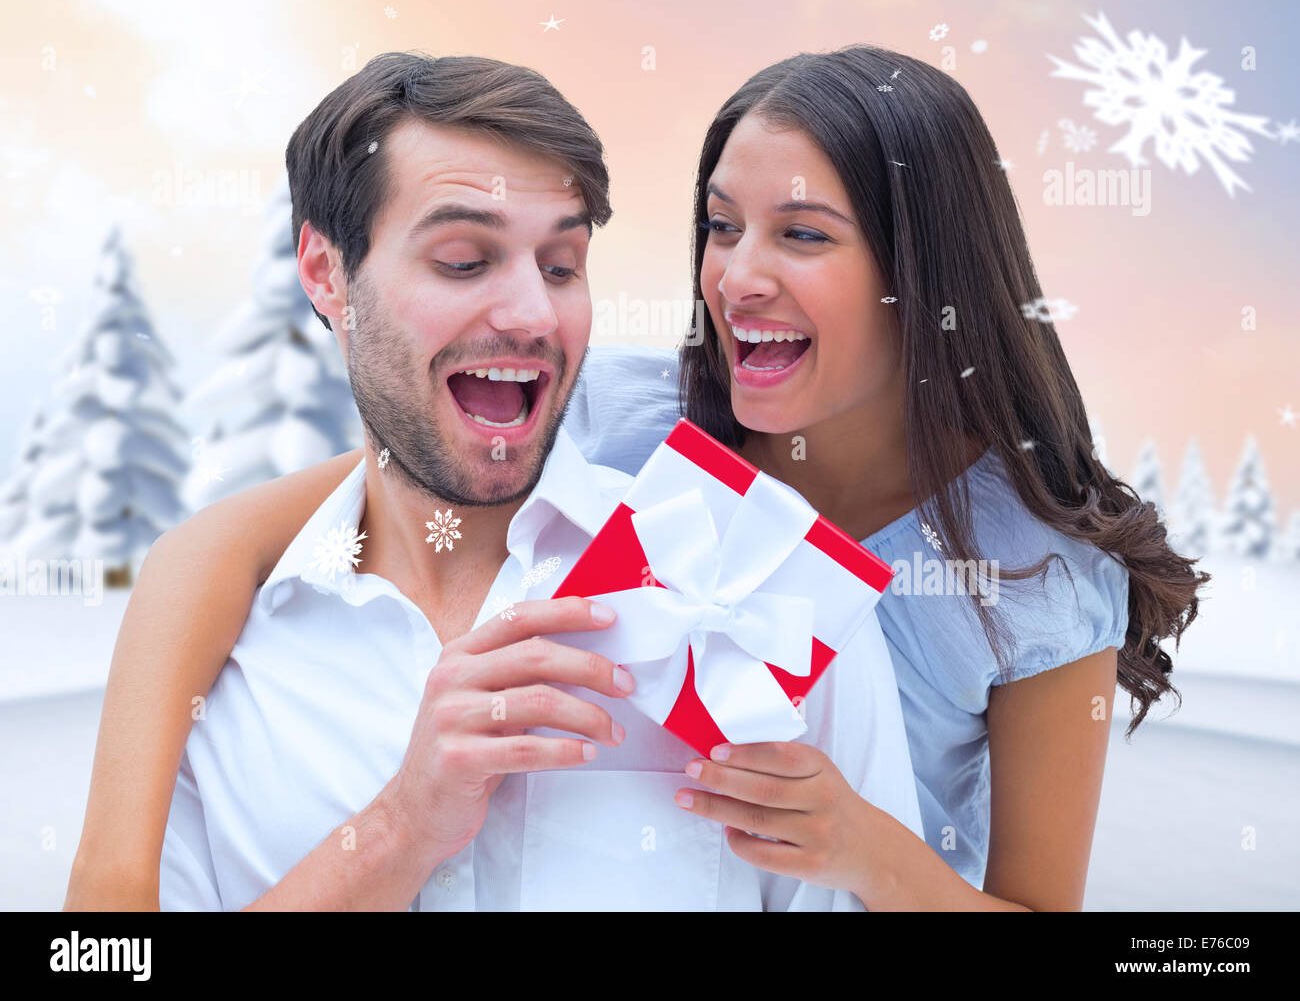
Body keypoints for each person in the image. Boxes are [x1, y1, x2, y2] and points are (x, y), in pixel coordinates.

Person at [66, 44, 1208, 913]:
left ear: (922, 269)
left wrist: (865, 845)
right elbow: (329, 501)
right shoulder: (627, 416)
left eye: (802, 236)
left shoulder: (1035, 575)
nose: (735, 276)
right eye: (719, 227)